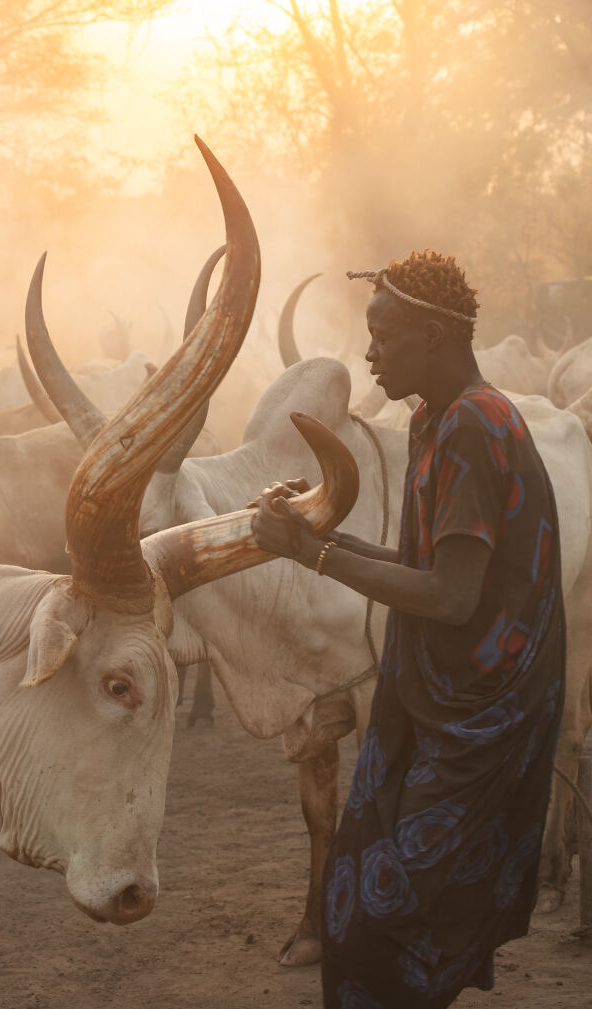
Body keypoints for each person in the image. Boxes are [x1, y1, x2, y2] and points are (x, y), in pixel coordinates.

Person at [250, 249, 565, 1008]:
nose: (368, 353)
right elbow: (420, 563)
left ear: (431, 335)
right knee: (363, 895)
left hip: (479, 715)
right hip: (445, 706)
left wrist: (315, 553)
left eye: (382, 335)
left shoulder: (473, 428)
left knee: (382, 915)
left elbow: (452, 597)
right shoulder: (436, 419)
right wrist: (311, 532)